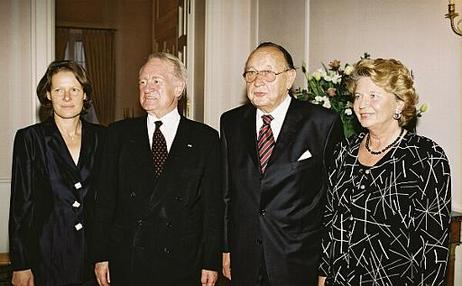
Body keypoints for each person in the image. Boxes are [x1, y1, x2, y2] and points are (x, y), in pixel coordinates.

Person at [92, 52, 222, 286]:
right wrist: (100, 255)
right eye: (142, 82)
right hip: (128, 258)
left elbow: (212, 207)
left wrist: (210, 261)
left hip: (183, 259)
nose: (147, 88)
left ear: (179, 88)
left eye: (156, 81)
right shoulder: (118, 134)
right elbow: (104, 201)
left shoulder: (205, 138)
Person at [318, 58, 451, 286]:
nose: (361, 104)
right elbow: (331, 224)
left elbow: (434, 247)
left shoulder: (425, 157)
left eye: (373, 96)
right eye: (358, 96)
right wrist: (322, 279)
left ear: (399, 103)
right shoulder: (344, 152)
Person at [220, 42, 344, 286]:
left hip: (298, 259)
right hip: (245, 257)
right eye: (251, 73)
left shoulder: (322, 123)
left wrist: (326, 264)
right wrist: (226, 248)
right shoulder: (231, 122)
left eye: (267, 72)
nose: (257, 81)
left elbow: (335, 201)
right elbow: (226, 193)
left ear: (289, 78)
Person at [8, 60, 105, 286]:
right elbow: (20, 206)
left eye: (74, 89)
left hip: (93, 258)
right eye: (59, 90)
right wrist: (21, 264)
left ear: (85, 95)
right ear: (48, 95)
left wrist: (107, 254)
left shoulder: (104, 137)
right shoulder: (30, 139)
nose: (67, 97)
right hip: (47, 256)